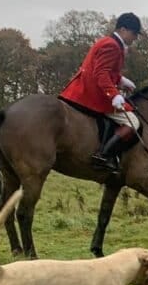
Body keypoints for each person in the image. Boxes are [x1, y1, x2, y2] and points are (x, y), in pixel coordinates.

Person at [58, 12, 142, 172]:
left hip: (83, 88)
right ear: (124, 29)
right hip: (93, 93)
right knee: (133, 122)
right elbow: (101, 73)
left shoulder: (108, 41)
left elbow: (106, 71)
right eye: (134, 34)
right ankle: (104, 155)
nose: (135, 38)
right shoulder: (112, 45)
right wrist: (114, 94)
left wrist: (120, 80)